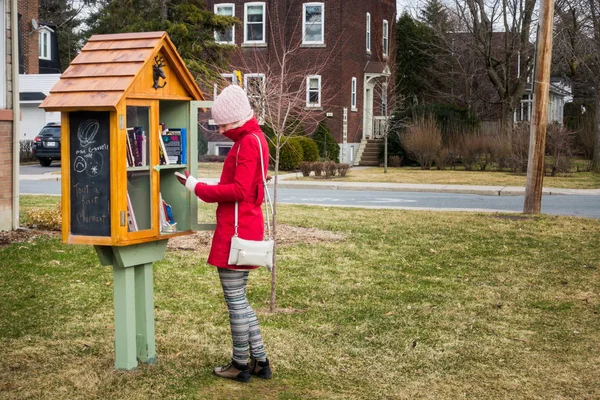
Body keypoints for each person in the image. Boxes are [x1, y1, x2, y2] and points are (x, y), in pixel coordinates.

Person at [175, 85, 272, 382]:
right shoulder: (256, 139)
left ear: (237, 119)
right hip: (247, 226)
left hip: (235, 231)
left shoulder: (246, 143)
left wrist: (196, 188)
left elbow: (239, 190)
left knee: (235, 302)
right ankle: (261, 362)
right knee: (241, 299)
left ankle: (240, 364)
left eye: (223, 124)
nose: (221, 129)